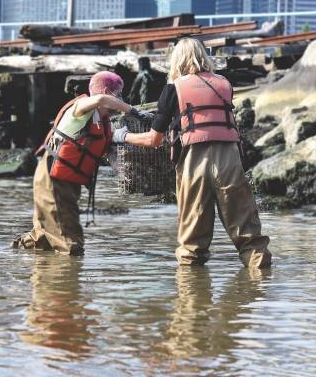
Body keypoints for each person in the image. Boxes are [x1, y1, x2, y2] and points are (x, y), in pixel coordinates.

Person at [115, 38, 271, 268]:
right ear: (204, 56)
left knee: (192, 242)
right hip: (230, 161)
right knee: (249, 235)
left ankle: (192, 296)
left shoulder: (173, 89)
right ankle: (258, 287)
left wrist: (122, 136)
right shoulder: (224, 84)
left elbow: (154, 139)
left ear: (176, 60)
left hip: (193, 162)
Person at [12, 71, 152, 256]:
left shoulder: (104, 123)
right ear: (106, 91)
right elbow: (101, 99)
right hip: (52, 176)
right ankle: (67, 281)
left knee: (45, 235)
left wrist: (150, 139)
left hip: (67, 181)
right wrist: (134, 112)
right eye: (118, 93)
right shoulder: (80, 108)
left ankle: (16, 256)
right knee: (70, 242)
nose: (121, 99)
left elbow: (113, 150)